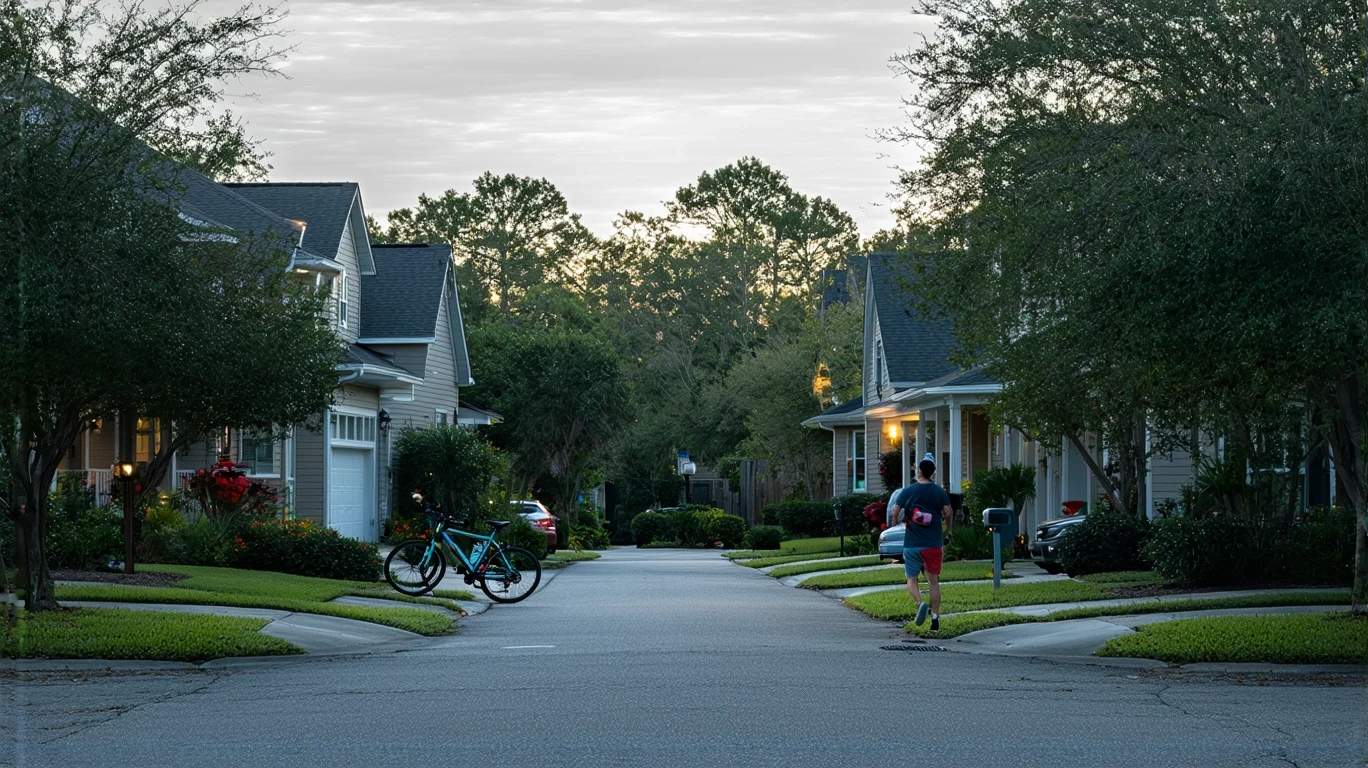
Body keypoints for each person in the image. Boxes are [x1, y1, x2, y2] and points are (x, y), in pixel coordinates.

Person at [889, 453, 953, 631]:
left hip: (912, 544)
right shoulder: (940, 492)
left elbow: (895, 511)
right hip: (933, 544)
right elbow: (948, 513)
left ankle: (919, 604)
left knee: (911, 578)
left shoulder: (908, 491)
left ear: (919, 471)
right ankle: (934, 619)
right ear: (932, 472)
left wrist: (894, 526)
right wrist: (948, 530)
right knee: (933, 581)